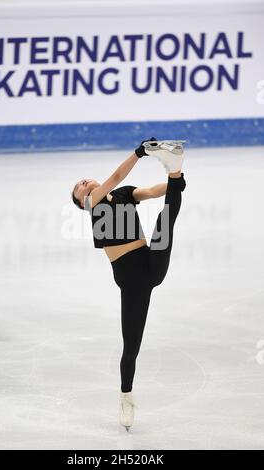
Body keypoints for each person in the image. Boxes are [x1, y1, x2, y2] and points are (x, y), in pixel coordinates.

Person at [71, 137, 186, 431]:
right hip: (132, 280)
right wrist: (139, 153)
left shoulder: (122, 194)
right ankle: (126, 396)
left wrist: (176, 183)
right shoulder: (93, 203)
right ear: (82, 200)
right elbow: (118, 175)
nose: (84, 183)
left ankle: (175, 168)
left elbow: (149, 192)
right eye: (79, 186)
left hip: (151, 262)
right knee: (131, 345)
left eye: (85, 180)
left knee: (166, 218)